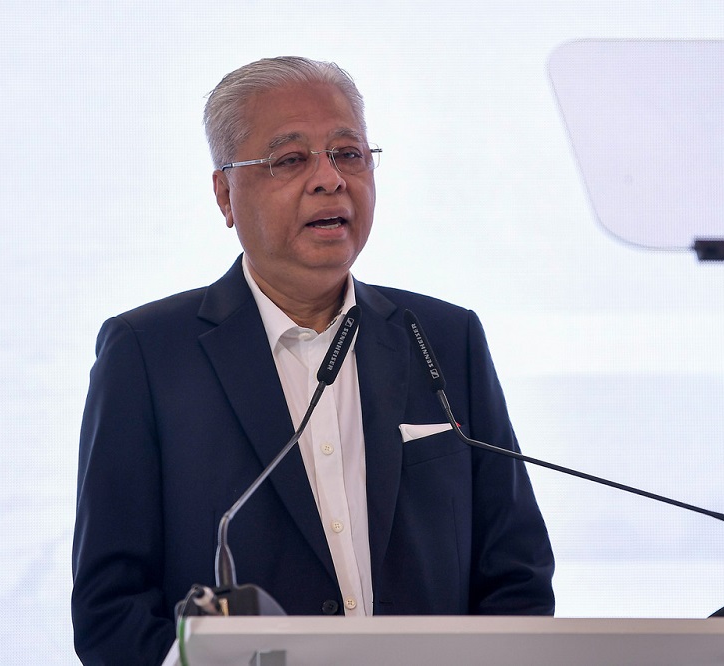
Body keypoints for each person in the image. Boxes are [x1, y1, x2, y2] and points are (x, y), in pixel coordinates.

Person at [71, 56, 554, 665]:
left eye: (349, 153)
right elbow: (109, 610)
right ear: (225, 193)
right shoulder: (147, 355)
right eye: (291, 159)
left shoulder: (445, 337)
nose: (330, 179)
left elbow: (516, 573)